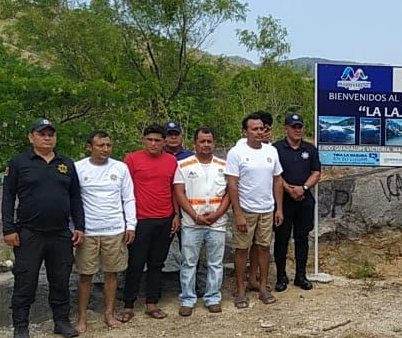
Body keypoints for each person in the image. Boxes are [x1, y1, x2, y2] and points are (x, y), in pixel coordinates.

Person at [2, 118, 85, 338]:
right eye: (42, 134)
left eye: (51, 134)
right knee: (25, 281)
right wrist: (8, 228)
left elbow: (75, 197)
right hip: (30, 233)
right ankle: (20, 326)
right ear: (31, 137)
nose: (47, 138)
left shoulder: (66, 163)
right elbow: (8, 197)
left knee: (60, 280)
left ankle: (61, 322)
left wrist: (79, 226)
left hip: (60, 233)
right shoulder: (19, 162)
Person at [73, 130, 136, 333]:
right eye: (100, 145)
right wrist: (74, 227)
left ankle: (109, 314)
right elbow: (73, 200)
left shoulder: (120, 168)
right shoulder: (78, 168)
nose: (105, 149)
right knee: (85, 274)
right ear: (90, 147)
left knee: (112, 273)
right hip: (88, 231)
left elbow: (128, 198)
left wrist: (130, 225)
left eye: (108, 145)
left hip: (114, 229)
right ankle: (82, 317)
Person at [122, 124, 179, 321]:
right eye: (150, 139)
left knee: (157, 263)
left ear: (164, 142)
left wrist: (176, 215)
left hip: (164, 219)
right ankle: (128, 304)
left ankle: (151, 302)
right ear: (143, 140)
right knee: (136, 263)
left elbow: (174, 190)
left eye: (157, 140)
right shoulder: (131, 160)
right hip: (140, 220)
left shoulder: (171, 161)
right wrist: (127, 221)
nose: (153, 144)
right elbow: (124, 190)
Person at [226, 112, 284, 307]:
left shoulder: (271, 151)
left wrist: (279, 208)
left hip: (266, 209)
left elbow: (277, 180)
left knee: (264, 248)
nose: (259, 132)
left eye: (262, 129)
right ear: (245, 132)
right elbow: (232, 184)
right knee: (242, 249)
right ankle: (241, 290)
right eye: (254, 129)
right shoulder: (237, 153)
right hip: (246, 210)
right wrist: (238, 213)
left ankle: (262, 288)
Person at [174, 128, 231, 316]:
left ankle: (213, 297)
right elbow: (179, 193)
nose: (206, 145)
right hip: (192, 222)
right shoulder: (183, 165)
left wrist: (217, 214)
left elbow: (229, 193)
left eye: (209, 141)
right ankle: (187, 299)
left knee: (216, 263)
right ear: (194, 143)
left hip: (217, 222)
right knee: (189, 262)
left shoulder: (224, 165)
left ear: (214, 143)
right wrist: (194, 216)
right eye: (202, 141)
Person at [274, 113, 321, 292]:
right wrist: (289, 189)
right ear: (285, 128)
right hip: (283, 201)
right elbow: (275, 174)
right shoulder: (276, 148)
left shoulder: (310, 149)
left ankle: (301, 276)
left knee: (302, 239)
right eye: (294, 127)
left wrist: (303, 188)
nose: (297, 130)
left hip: (304, 201)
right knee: (281, 240)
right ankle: (281, 276)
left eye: (300, 126)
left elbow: (316, 172)